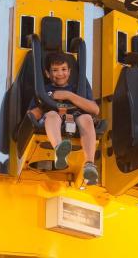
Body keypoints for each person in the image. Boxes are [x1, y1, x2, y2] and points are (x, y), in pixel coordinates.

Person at [28, 52, 100, 185]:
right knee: (52, 116)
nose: (60, 74)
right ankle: (59, 149)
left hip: (75, 117)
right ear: (47, 74)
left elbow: (95, 109)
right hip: (53, 119)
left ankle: (89, 164)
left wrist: (68, 95)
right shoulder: (44, 91)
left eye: (63, 69)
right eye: (55, 70)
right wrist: (30, 119)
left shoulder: (78, 89)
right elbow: (35, 112)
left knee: (87, 118)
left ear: (69, 71)